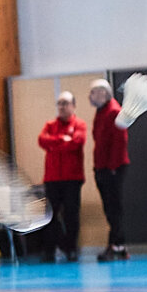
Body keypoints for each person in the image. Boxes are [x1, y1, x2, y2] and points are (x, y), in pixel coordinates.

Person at [38, 91, 87, 263]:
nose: (61, 107)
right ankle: (50, 250)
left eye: (65, 103)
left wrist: (54, 144)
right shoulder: (50, 125)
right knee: (50, 216)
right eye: (59, 103)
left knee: (71, 215)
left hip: (72, 178)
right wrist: (62, 139)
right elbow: (42, 140)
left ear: (73, 106)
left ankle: (71, 249)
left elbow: (76, 143)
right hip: (52, 178)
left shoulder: (79, 124)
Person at [88, 80, 130, 262]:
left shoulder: (114, 111)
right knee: (110, 209)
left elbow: (120, 141)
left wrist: (112, 167)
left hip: (112, 168)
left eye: (93, 93)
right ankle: (119, 245)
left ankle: (115, 245)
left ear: (103, 93)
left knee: (113, 209)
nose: (90, 97)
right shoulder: (101, 111)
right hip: (102, 167)